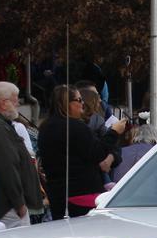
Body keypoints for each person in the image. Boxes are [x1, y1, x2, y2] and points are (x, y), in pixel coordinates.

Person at [38, 85, 119, 219]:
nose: (83, 104)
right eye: (79, 100)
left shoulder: (45, 127)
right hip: (82, 193)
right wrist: (114, 132)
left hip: (58, 194)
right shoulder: (76, 127)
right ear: (67, 103)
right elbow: (97, 153)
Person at [0, 81, 43, 228]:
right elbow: (7, 167)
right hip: (7, 207)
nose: (18, 104)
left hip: (4, 204)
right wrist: (19, 203)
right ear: (4, 103)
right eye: (16, 100)